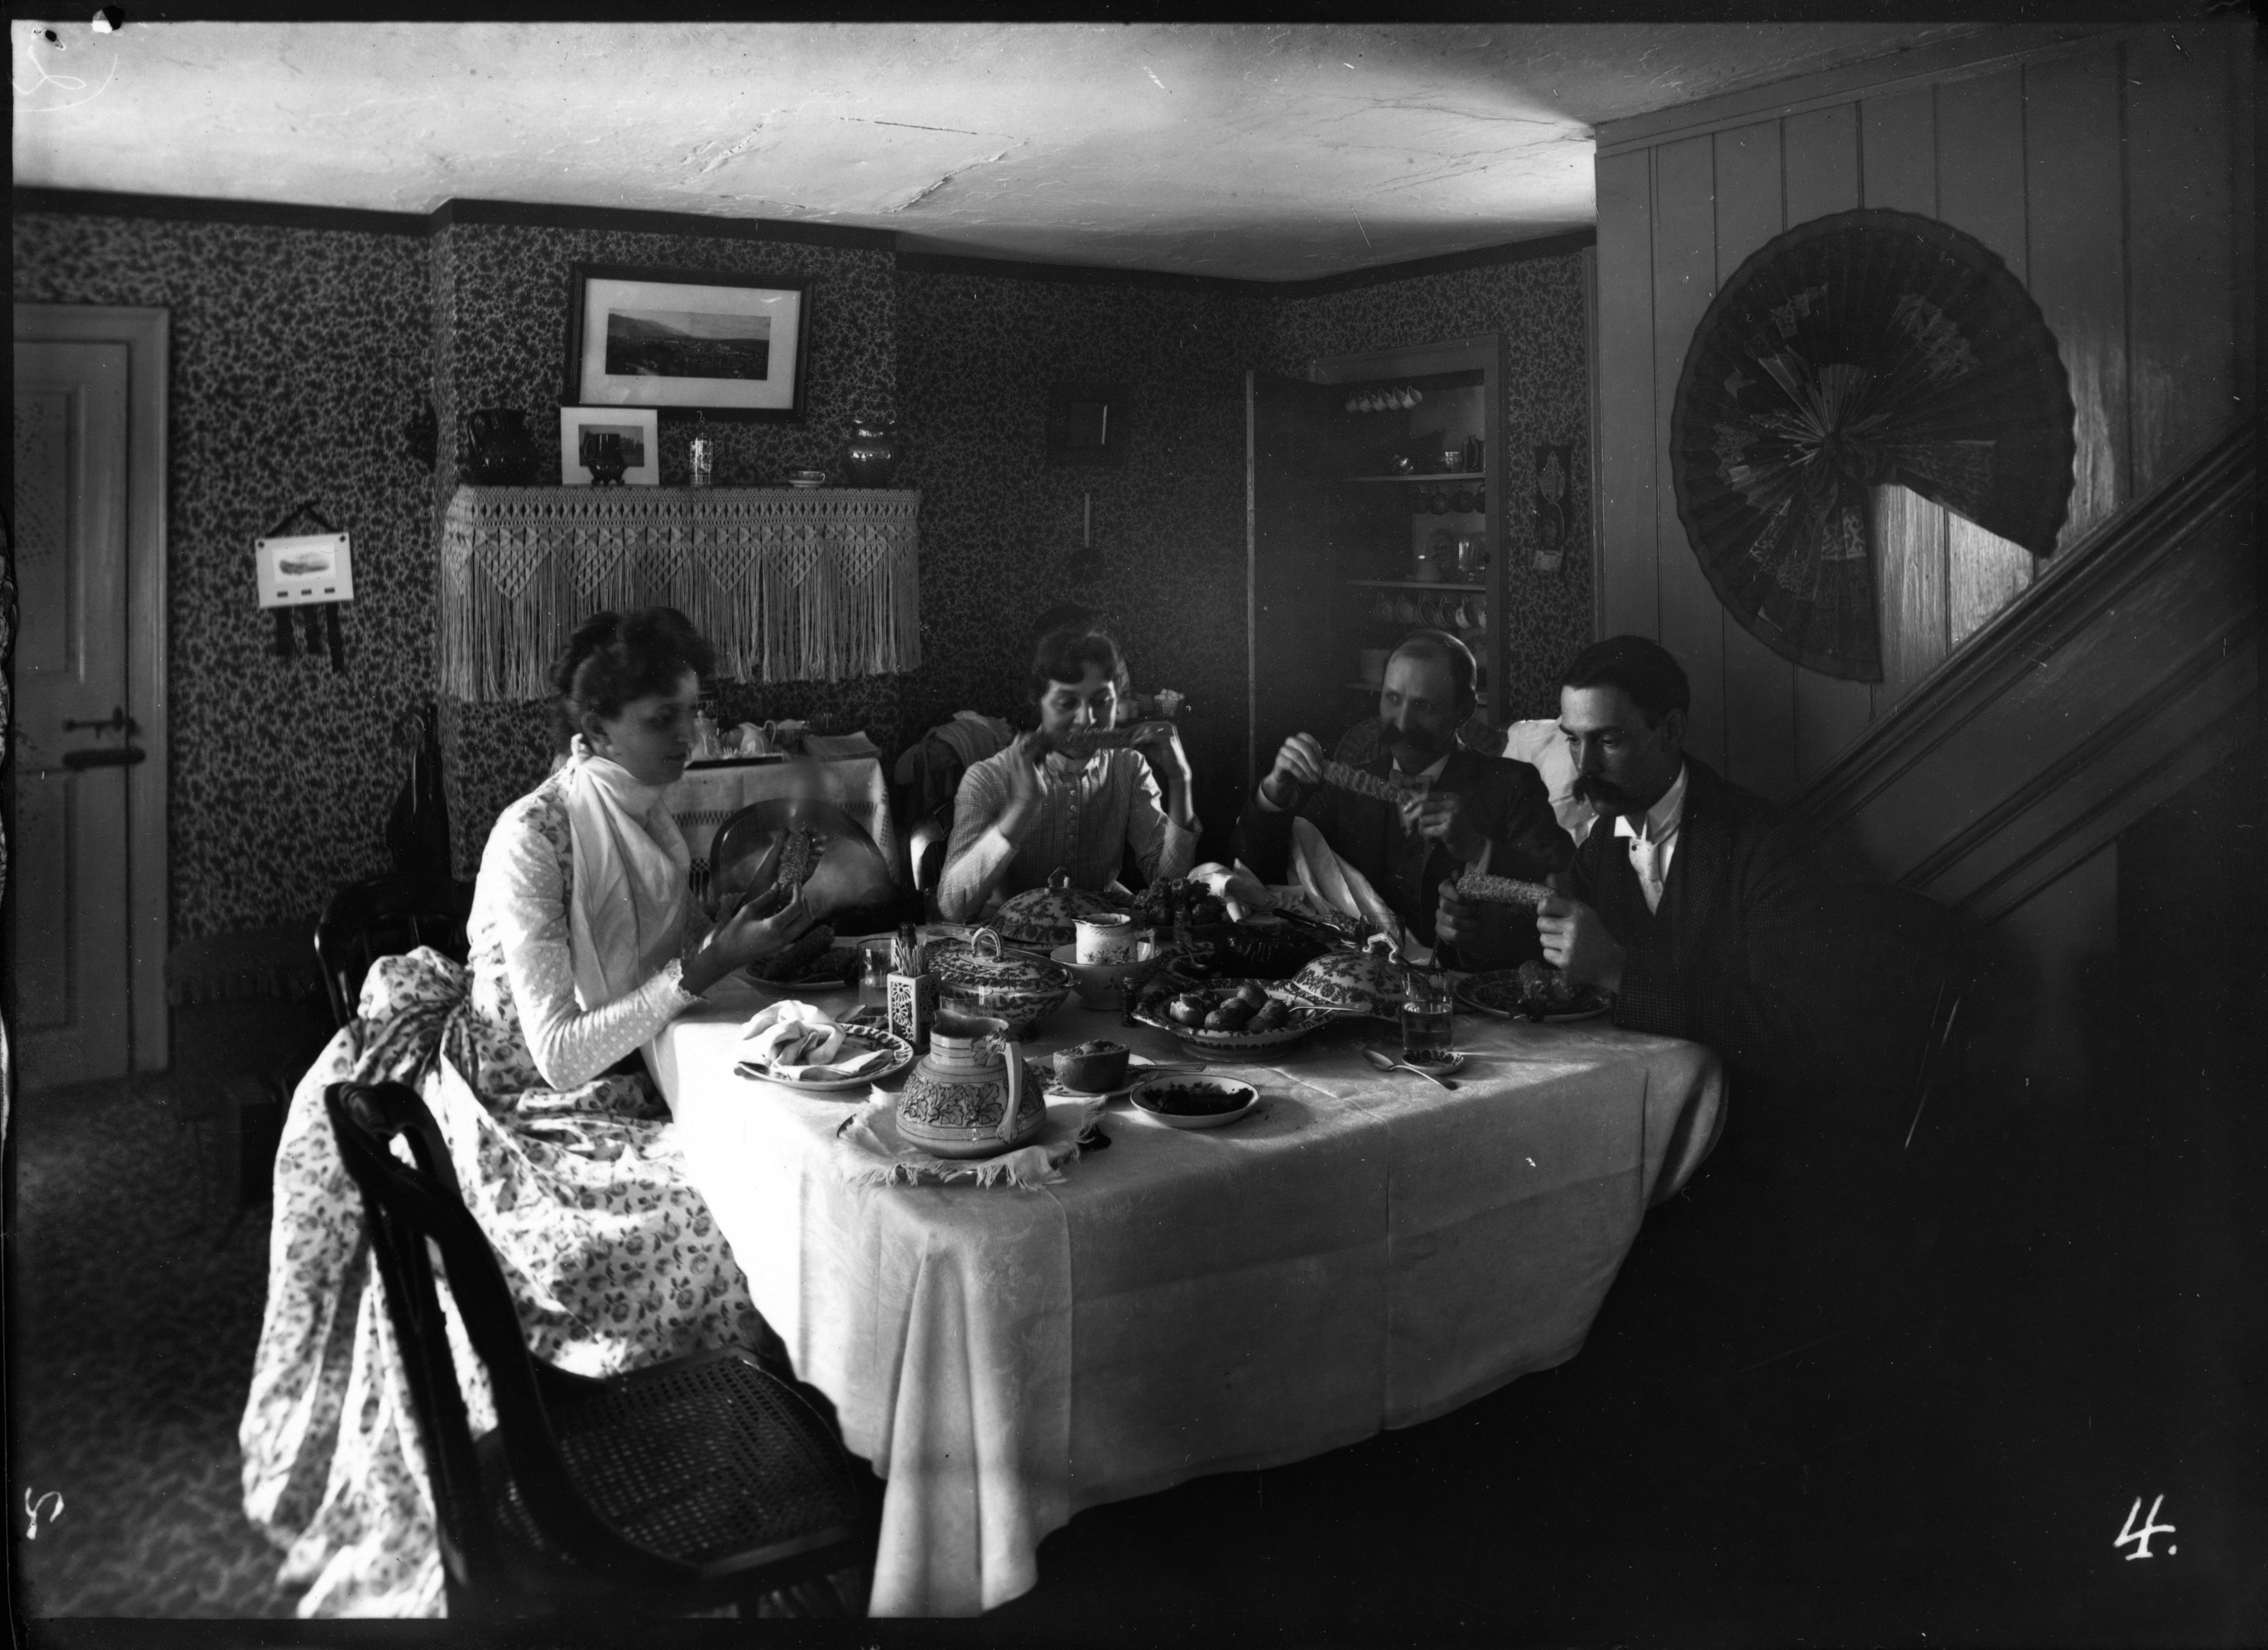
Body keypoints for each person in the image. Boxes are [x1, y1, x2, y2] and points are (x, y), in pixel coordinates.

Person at [241, 608, 819, 1617]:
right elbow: (556, 1055)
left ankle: (734, 1469)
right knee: (705, 1221)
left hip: (611, 1082)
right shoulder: (534, 833)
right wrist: (706, 963)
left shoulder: (646, 810)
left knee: (773, 1164)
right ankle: (646, 1491)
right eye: (660, 720)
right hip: (510, 1099)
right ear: (593, 728)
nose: (688, 740)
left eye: (692, 714)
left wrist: (739, 936)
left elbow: (657, 970)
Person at [1233, 630, 1571, 961]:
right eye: (1392, 699)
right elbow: (1259, 884)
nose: (1403, 722)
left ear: (1464, 711)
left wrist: (1478, 849)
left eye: (1423, 706)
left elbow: (1562, 893)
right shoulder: (1346, 788)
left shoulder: (1513, 786)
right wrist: (1274, 795)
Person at [937, 626, 1199, 918]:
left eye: (1102, 702)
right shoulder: (986, 778)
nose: (1086, 720)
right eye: (1066, 703)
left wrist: (1180, 779)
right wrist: (1023, 806)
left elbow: (1168, 884)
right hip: (1010, 945)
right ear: (1038, 702)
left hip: (1101, 941)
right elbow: (953, 907)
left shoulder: (1129, 767)